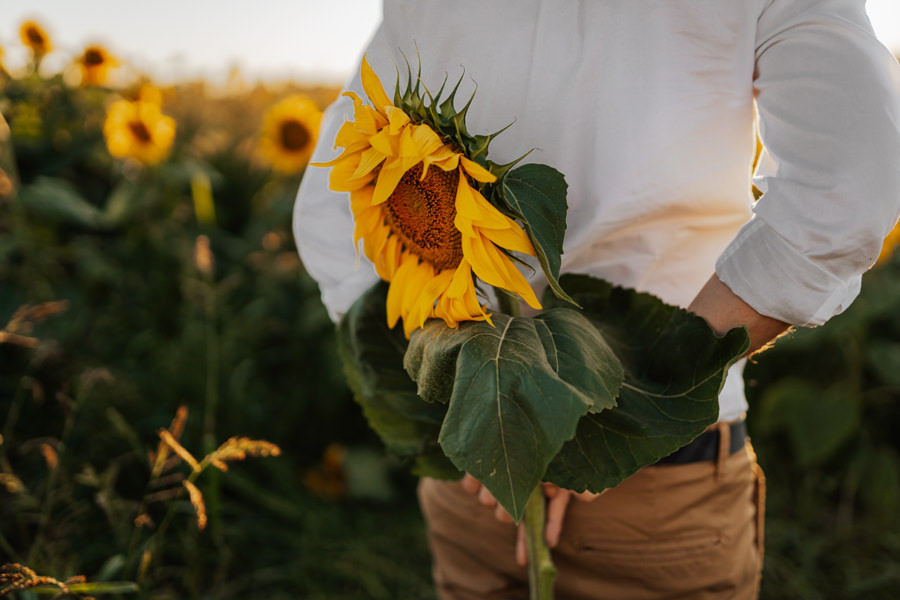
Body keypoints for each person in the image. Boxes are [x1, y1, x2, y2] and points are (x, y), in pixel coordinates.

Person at [293, 1, 900, 598]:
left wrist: (486, 413)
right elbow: (847, 194)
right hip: (657, 495)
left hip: (474, 488)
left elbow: (328, 216)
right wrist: (625, 413)